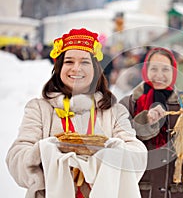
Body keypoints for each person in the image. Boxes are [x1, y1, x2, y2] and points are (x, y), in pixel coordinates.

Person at [6, 28, 147, 198]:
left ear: (95, 69)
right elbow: (16, 158)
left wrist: (106, 155)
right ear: (59, 68)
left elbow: (137, 155)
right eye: (69, 62)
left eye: (85, 62)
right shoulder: (39, 108)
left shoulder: (114, 111)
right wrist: (48, 153)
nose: (76, 68)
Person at [119, 47, 183, 198]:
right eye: (154, 68)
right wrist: (146, 121)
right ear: (145, 71)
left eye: (166, 70)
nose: (159, 75)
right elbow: (120, 145)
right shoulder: (129, 104)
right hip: (138, 191)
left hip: (174, 192)